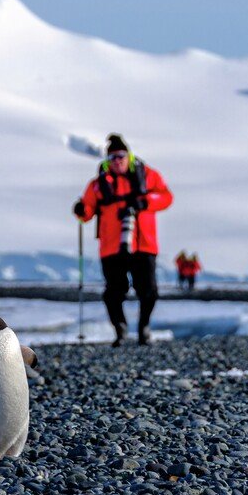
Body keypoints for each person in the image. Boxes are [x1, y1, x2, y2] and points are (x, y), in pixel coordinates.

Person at [74, 134, 175, 346]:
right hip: (111, 246)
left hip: (144, 243)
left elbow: (166, 197)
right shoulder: (97, 184)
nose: (117, 161)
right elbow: (87, 211)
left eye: (120, 156)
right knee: (113, 292)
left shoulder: (148, 176)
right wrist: (81, 210)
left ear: (128, 155)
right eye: (112, 157)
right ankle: (120, 329)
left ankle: (144, 327)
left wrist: (146, 202)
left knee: (148, 291)